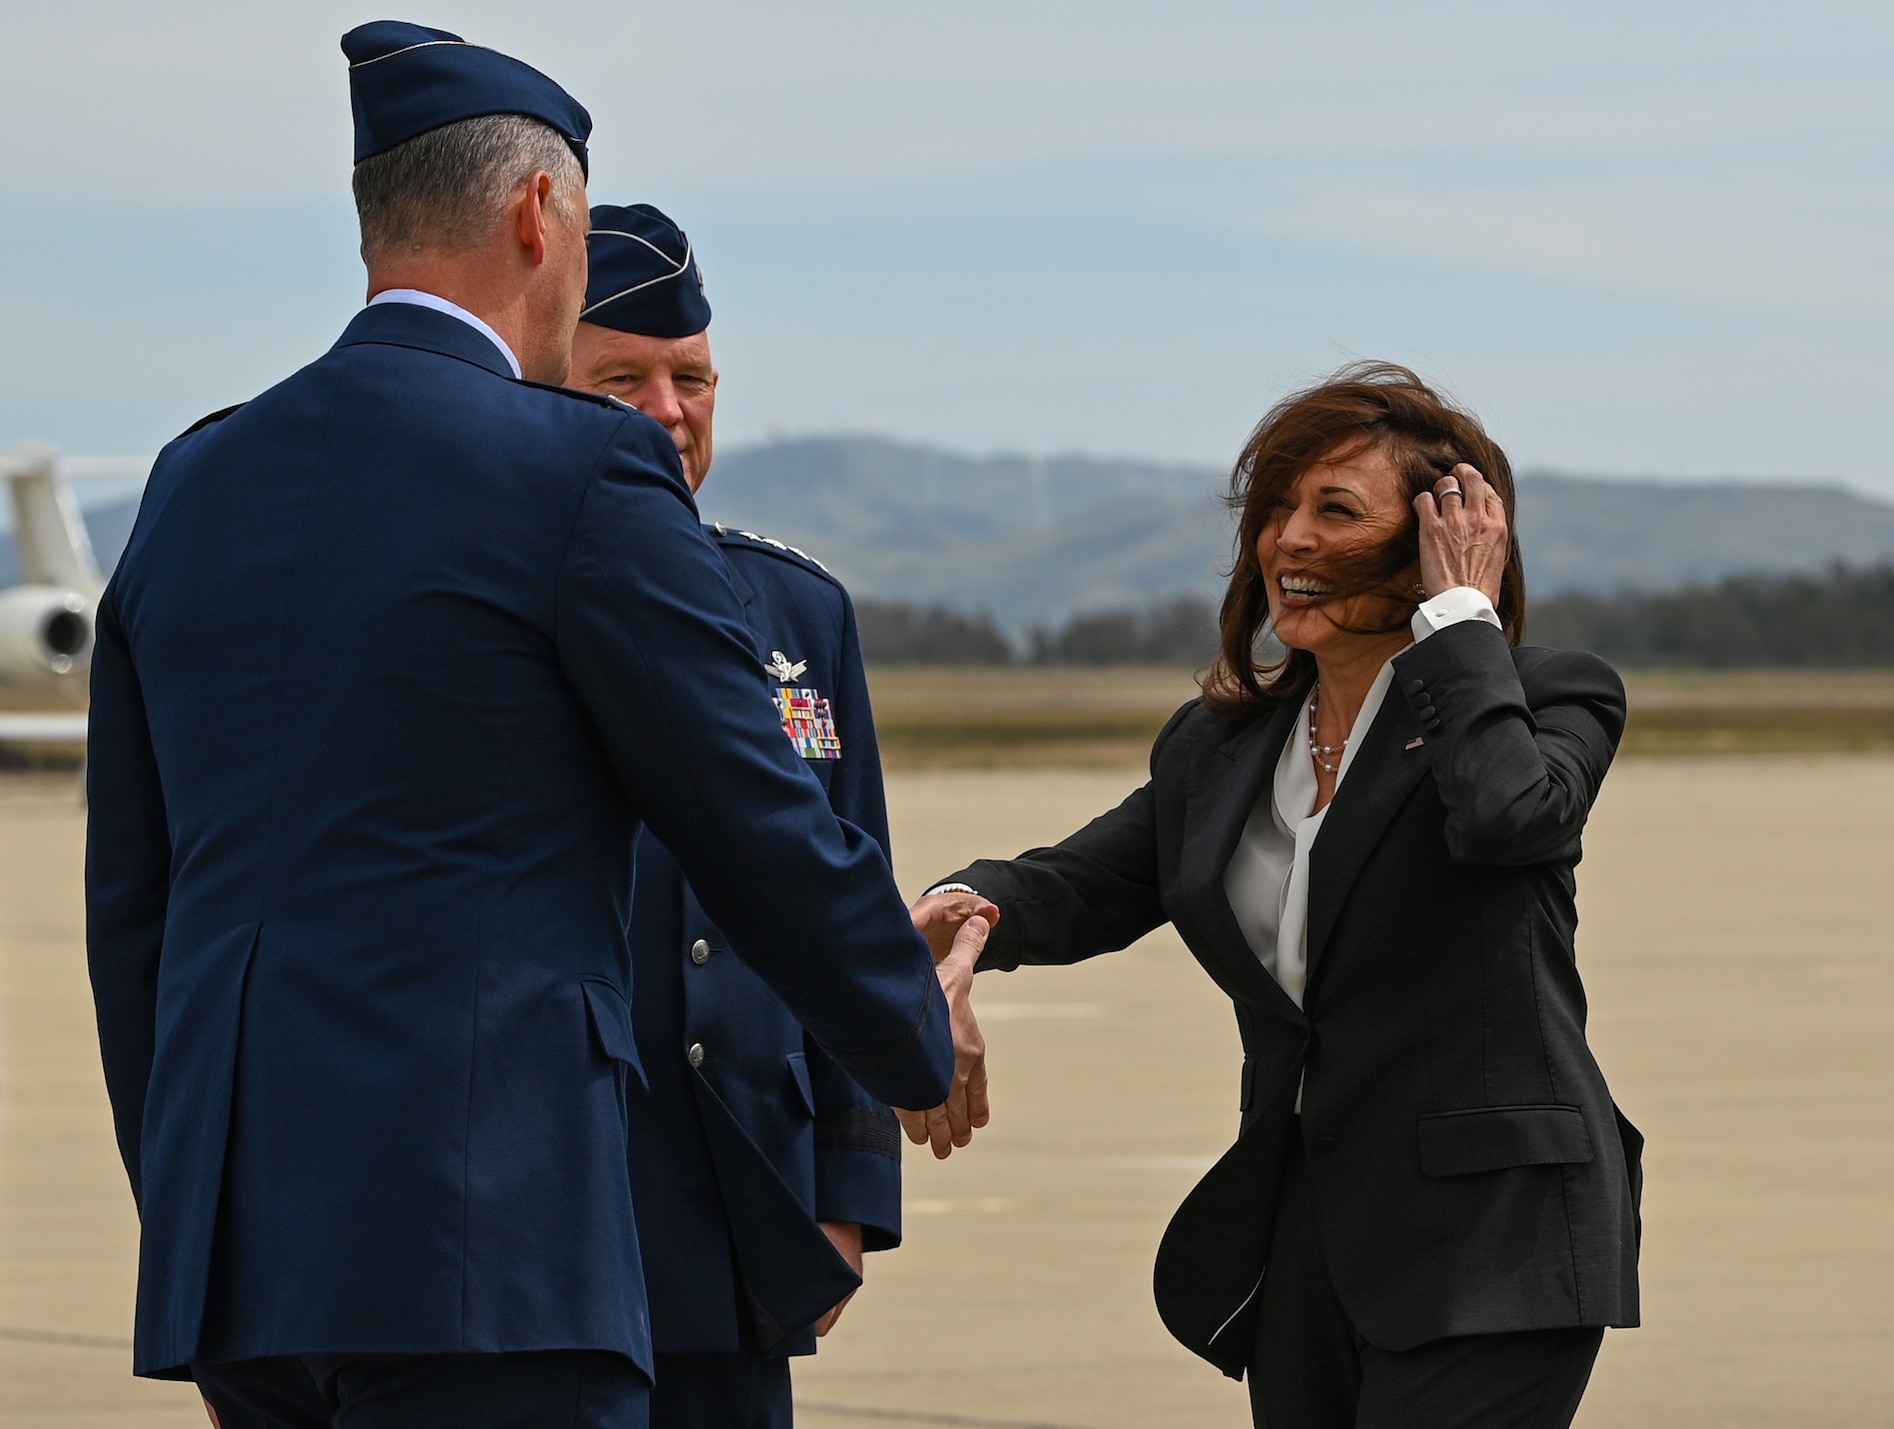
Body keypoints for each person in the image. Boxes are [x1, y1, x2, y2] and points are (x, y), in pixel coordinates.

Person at [86, 23, 985, 1429]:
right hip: (483, 1248)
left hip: (240, 1264)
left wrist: (194, 1200)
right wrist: (910, 1028)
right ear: (536, 212)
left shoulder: (193, 480)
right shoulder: (574, 474)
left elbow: (134, 905)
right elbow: (748, 814)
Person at [913, 363, 1642, 1429]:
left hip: (1496, 1242)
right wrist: (961, 912)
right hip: (1306, 1244)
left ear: (1444, 535)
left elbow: (1503, 816)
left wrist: (1457, 621)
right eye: (1275, 509)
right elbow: (1079, 882)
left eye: (1333, 510)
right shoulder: (1221, 747)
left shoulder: (1542, 700)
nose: (1287, 540)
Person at [565, 204, 916, 1427]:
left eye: (691, 377)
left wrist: (847, 1187)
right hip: (563, 1180)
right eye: (621, 379)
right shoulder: (487, 601)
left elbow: (849, 889)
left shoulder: (794, 611)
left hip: (738, 1198)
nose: (668, 411)